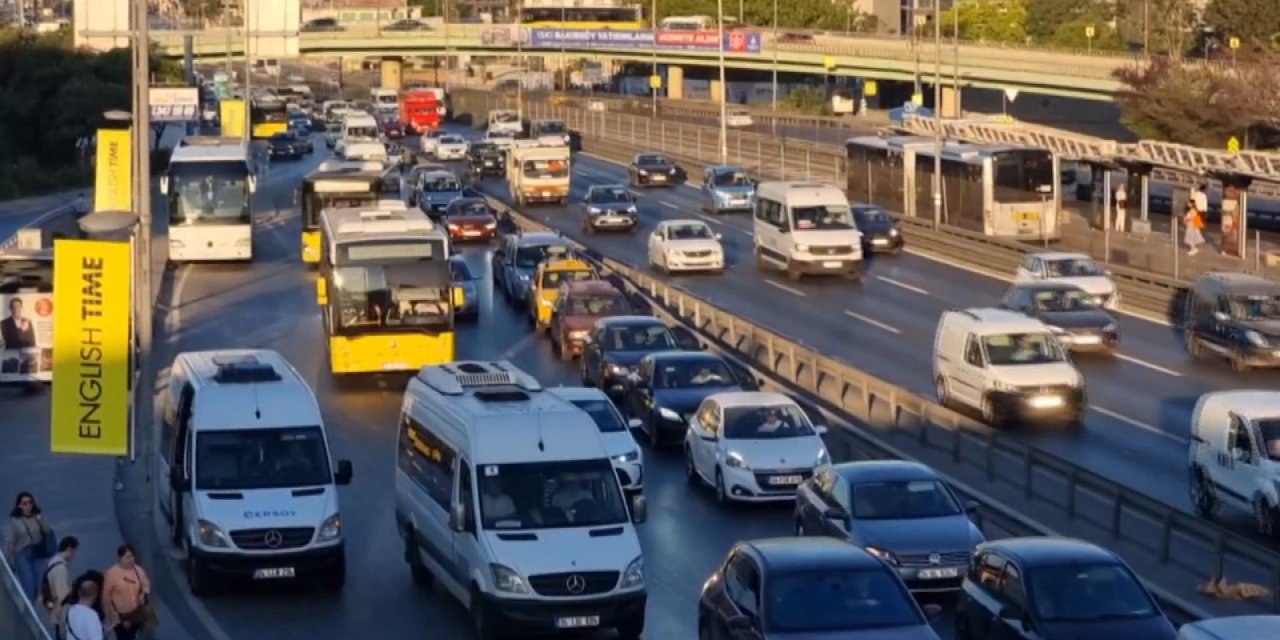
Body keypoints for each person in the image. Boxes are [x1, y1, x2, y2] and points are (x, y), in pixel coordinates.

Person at [5, 491, 54, 599]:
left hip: (37, 553)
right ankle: (27, 605)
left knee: (37, 585)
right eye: (24, 503)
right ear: (19, 505)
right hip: (22, 554)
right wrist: (9, 560)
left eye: (30, 502)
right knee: (28, 584)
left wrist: (41, 520)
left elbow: (48, 531)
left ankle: (31, 604)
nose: (28, 506)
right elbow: (11, 542)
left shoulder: (37, 517)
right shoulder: (15, 522)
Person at [103, 543, 151, 640]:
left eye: (132, 556)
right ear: (120, 558)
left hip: (135, 612)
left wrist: (144, 593)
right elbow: (106, 595)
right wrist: (110, 615)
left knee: (131, 636)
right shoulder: (112, 574)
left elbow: (146, 584)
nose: (131, 559)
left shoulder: (139, 570)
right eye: (127, 557)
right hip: (119, 614)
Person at [41, 536, 80, 633]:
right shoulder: (60, 568)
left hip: (54, 607)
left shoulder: (53, 563)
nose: (75, 556)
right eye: (75, 552)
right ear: (69, 549)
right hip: (61, 612)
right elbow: (63, 595)